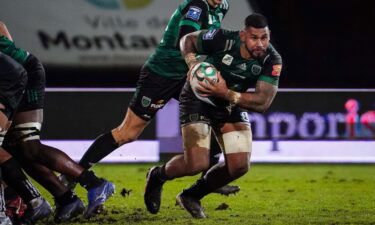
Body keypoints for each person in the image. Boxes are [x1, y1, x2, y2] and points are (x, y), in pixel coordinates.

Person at [61, 0, 239, 203]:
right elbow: (186, 35)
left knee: (216, 113)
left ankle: (209, 180)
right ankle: (72, 175)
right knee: (127, 133)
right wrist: (194, 62)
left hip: (186, 78)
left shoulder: (222, 6)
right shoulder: (196, 6)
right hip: (160, 75)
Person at [144, 13, 282, 218]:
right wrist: (192, 63)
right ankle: (157, 176)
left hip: (230, 101)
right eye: (254, 38)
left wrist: (225, 94)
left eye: (265, 38)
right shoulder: (223, 38)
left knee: (239, 166)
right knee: (196, 164)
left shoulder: (272, 60)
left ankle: (191, 195)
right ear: (243, 35)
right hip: (198, 100)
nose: (260, 44)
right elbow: (188, 39)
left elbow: (262, 102)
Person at [0, 21, 115, 222]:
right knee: (23, 147)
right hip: (20, 71)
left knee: (22, 146)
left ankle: (89, 186)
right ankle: (67, 198)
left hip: (17, 75)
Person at [0, 52, 53, 224]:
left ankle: (3, 215)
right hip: (13, 78)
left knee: (24, 146)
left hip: (8, 81)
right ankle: (30, 200)